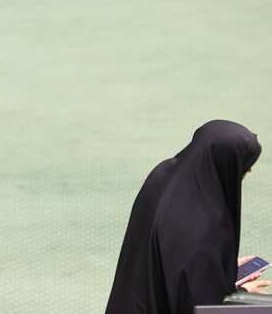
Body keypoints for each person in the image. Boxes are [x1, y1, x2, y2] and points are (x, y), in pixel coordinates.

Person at [105, 120, 269, 314]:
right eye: (243, 164)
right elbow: (200, 305)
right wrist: (241, 293)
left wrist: (217, 267)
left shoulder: (162, 175)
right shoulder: (204, 226)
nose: (248, 170)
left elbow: (172, 260)